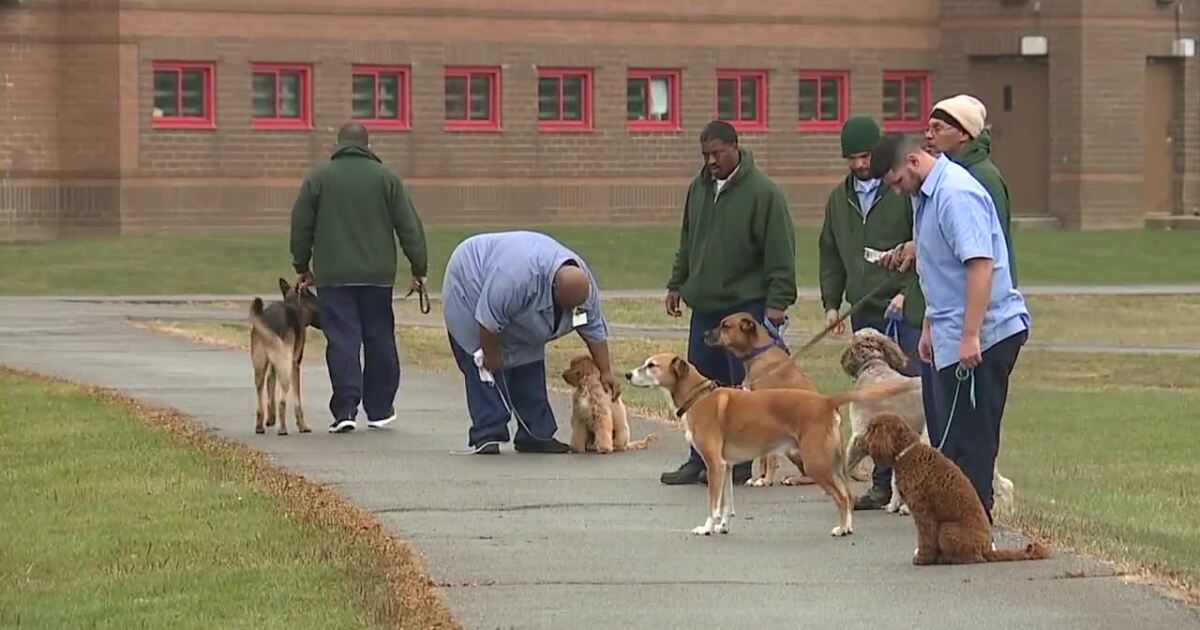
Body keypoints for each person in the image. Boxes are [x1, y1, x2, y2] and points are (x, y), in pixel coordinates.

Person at [869, 133, 1030, 524]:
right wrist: (929, 325)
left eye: (895, 181)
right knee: (948, 439)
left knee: (972, 441)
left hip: (985, 334)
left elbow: (979, 265)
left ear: (912, 161)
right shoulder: (923, 198)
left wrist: (971, 334)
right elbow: (937, 269)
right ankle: (958, 525)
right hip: (946, 331)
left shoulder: (956, 194)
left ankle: (978, 526)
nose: (896, 191)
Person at [660, 120, 798, 486]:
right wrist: (677, 283)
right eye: (705, 155)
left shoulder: (763, 192)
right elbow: (687, 241)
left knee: (744, 391)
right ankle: (699, 457)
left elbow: (780, 251)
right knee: (696, 383)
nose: (711, 162)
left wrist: (777, 302)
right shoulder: (698, 189)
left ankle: (738, 461)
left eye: (717, 153)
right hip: (704, 304)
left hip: (745, 308)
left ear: (735, 147)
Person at [290, 122, 428, 434]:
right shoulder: (386, 178)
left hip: (333, 276)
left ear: (338, 144)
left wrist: (302, 264)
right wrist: (418, 268)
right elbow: (409, 226)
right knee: (379, 339)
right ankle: (379, 408)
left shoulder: (319, 179)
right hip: (377, 276)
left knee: (342, 340)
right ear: (367, 144)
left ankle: (345, 409)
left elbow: (301, 225)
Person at [817, 115, 925, 510]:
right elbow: (829, 253)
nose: (860, 165)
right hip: (863, 312)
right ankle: (881, 484)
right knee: (872, 404)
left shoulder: (902, 190)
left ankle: (916, 483)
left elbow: (927, 244)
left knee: (910, 397)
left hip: (903, 311)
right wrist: (832, 304)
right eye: (853, 158)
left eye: (866, 156)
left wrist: (909, 294)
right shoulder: (838, 200)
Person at [441, 230, 618, 455]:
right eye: (566, 308)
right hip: (471, 282)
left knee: (528, 359)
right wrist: (492, 355)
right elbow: (487, 320)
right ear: (553, 289)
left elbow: (593, 328)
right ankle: (488, 432)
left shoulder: (584, 288)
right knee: (482, 363)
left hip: (517, 303)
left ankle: (536, 434)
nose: (571, 313)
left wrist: (606, 370)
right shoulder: (516, 278)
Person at [925, 94, 1018, 286]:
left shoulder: (983, 177)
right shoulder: (947, 175)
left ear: (964, 134)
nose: (928, 134)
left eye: (938, 128)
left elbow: (993, 247)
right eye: (928, 128)